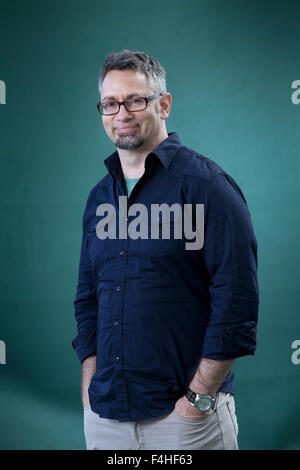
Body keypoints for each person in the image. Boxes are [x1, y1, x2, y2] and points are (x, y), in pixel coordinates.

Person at [72, 50, 259, 450]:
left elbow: (237, 300)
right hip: (107, 419)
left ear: (164, 104)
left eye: (135, 100)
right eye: (110, 103)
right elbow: (88, 298)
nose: (122, 113)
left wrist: (197, 400)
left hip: (186, 421)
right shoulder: (99, 198)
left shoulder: (207, 187)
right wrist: (90, 383)